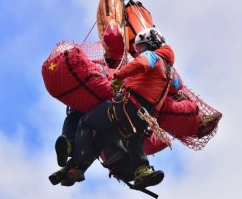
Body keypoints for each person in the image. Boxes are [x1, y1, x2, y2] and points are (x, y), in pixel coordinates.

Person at [67, 28, 175, 190]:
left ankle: (78, 157)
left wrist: (118, 77)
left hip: (128, 107)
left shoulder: (151, 56)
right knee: (118, 138)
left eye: (142, 47)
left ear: (152, 43)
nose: (139, 52)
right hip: (144, 117)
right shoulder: (170, 71)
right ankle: (142, 171)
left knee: (86, 122)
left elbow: (139, 63)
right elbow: (176, 87)